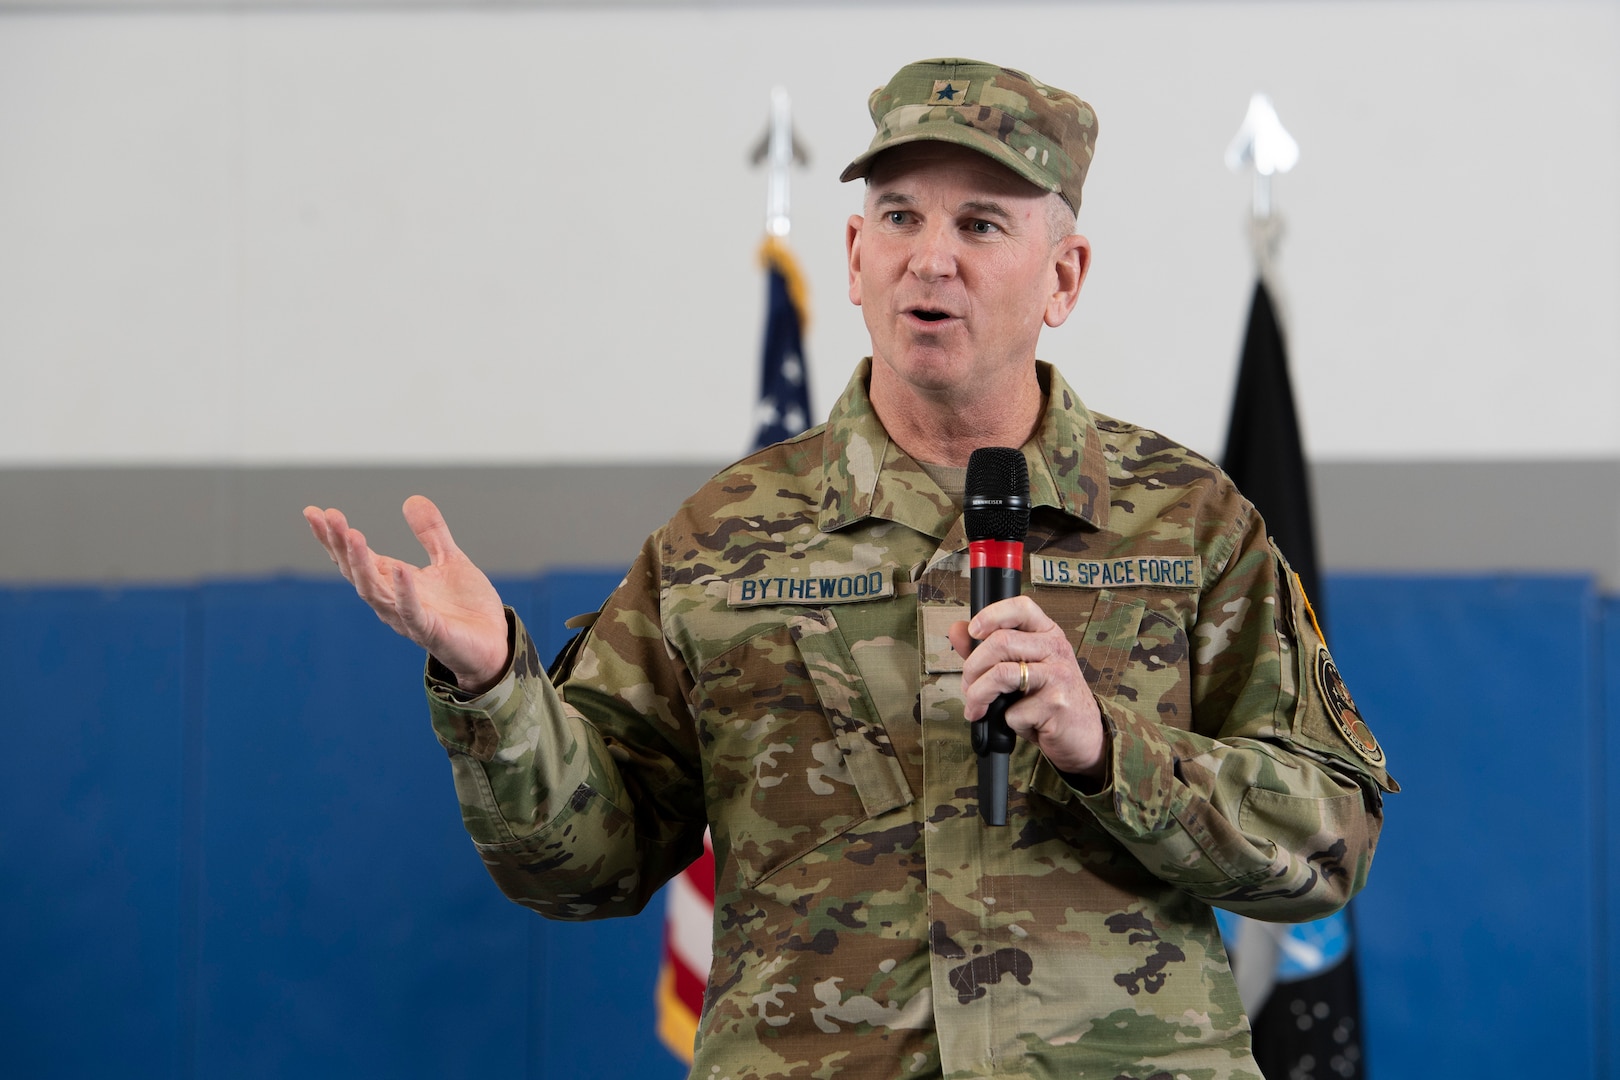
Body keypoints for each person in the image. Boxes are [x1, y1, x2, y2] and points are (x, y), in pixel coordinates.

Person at [304, 57, 1395, 1080]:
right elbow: (585, 863)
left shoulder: (1189, 523)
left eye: (980, 223)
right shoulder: (719, 541)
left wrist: (1107, 746)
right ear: (855, 257)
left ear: (1064, 276)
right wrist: (497, 687)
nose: (932, 256)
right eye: (899, 217)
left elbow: (1327, 839)